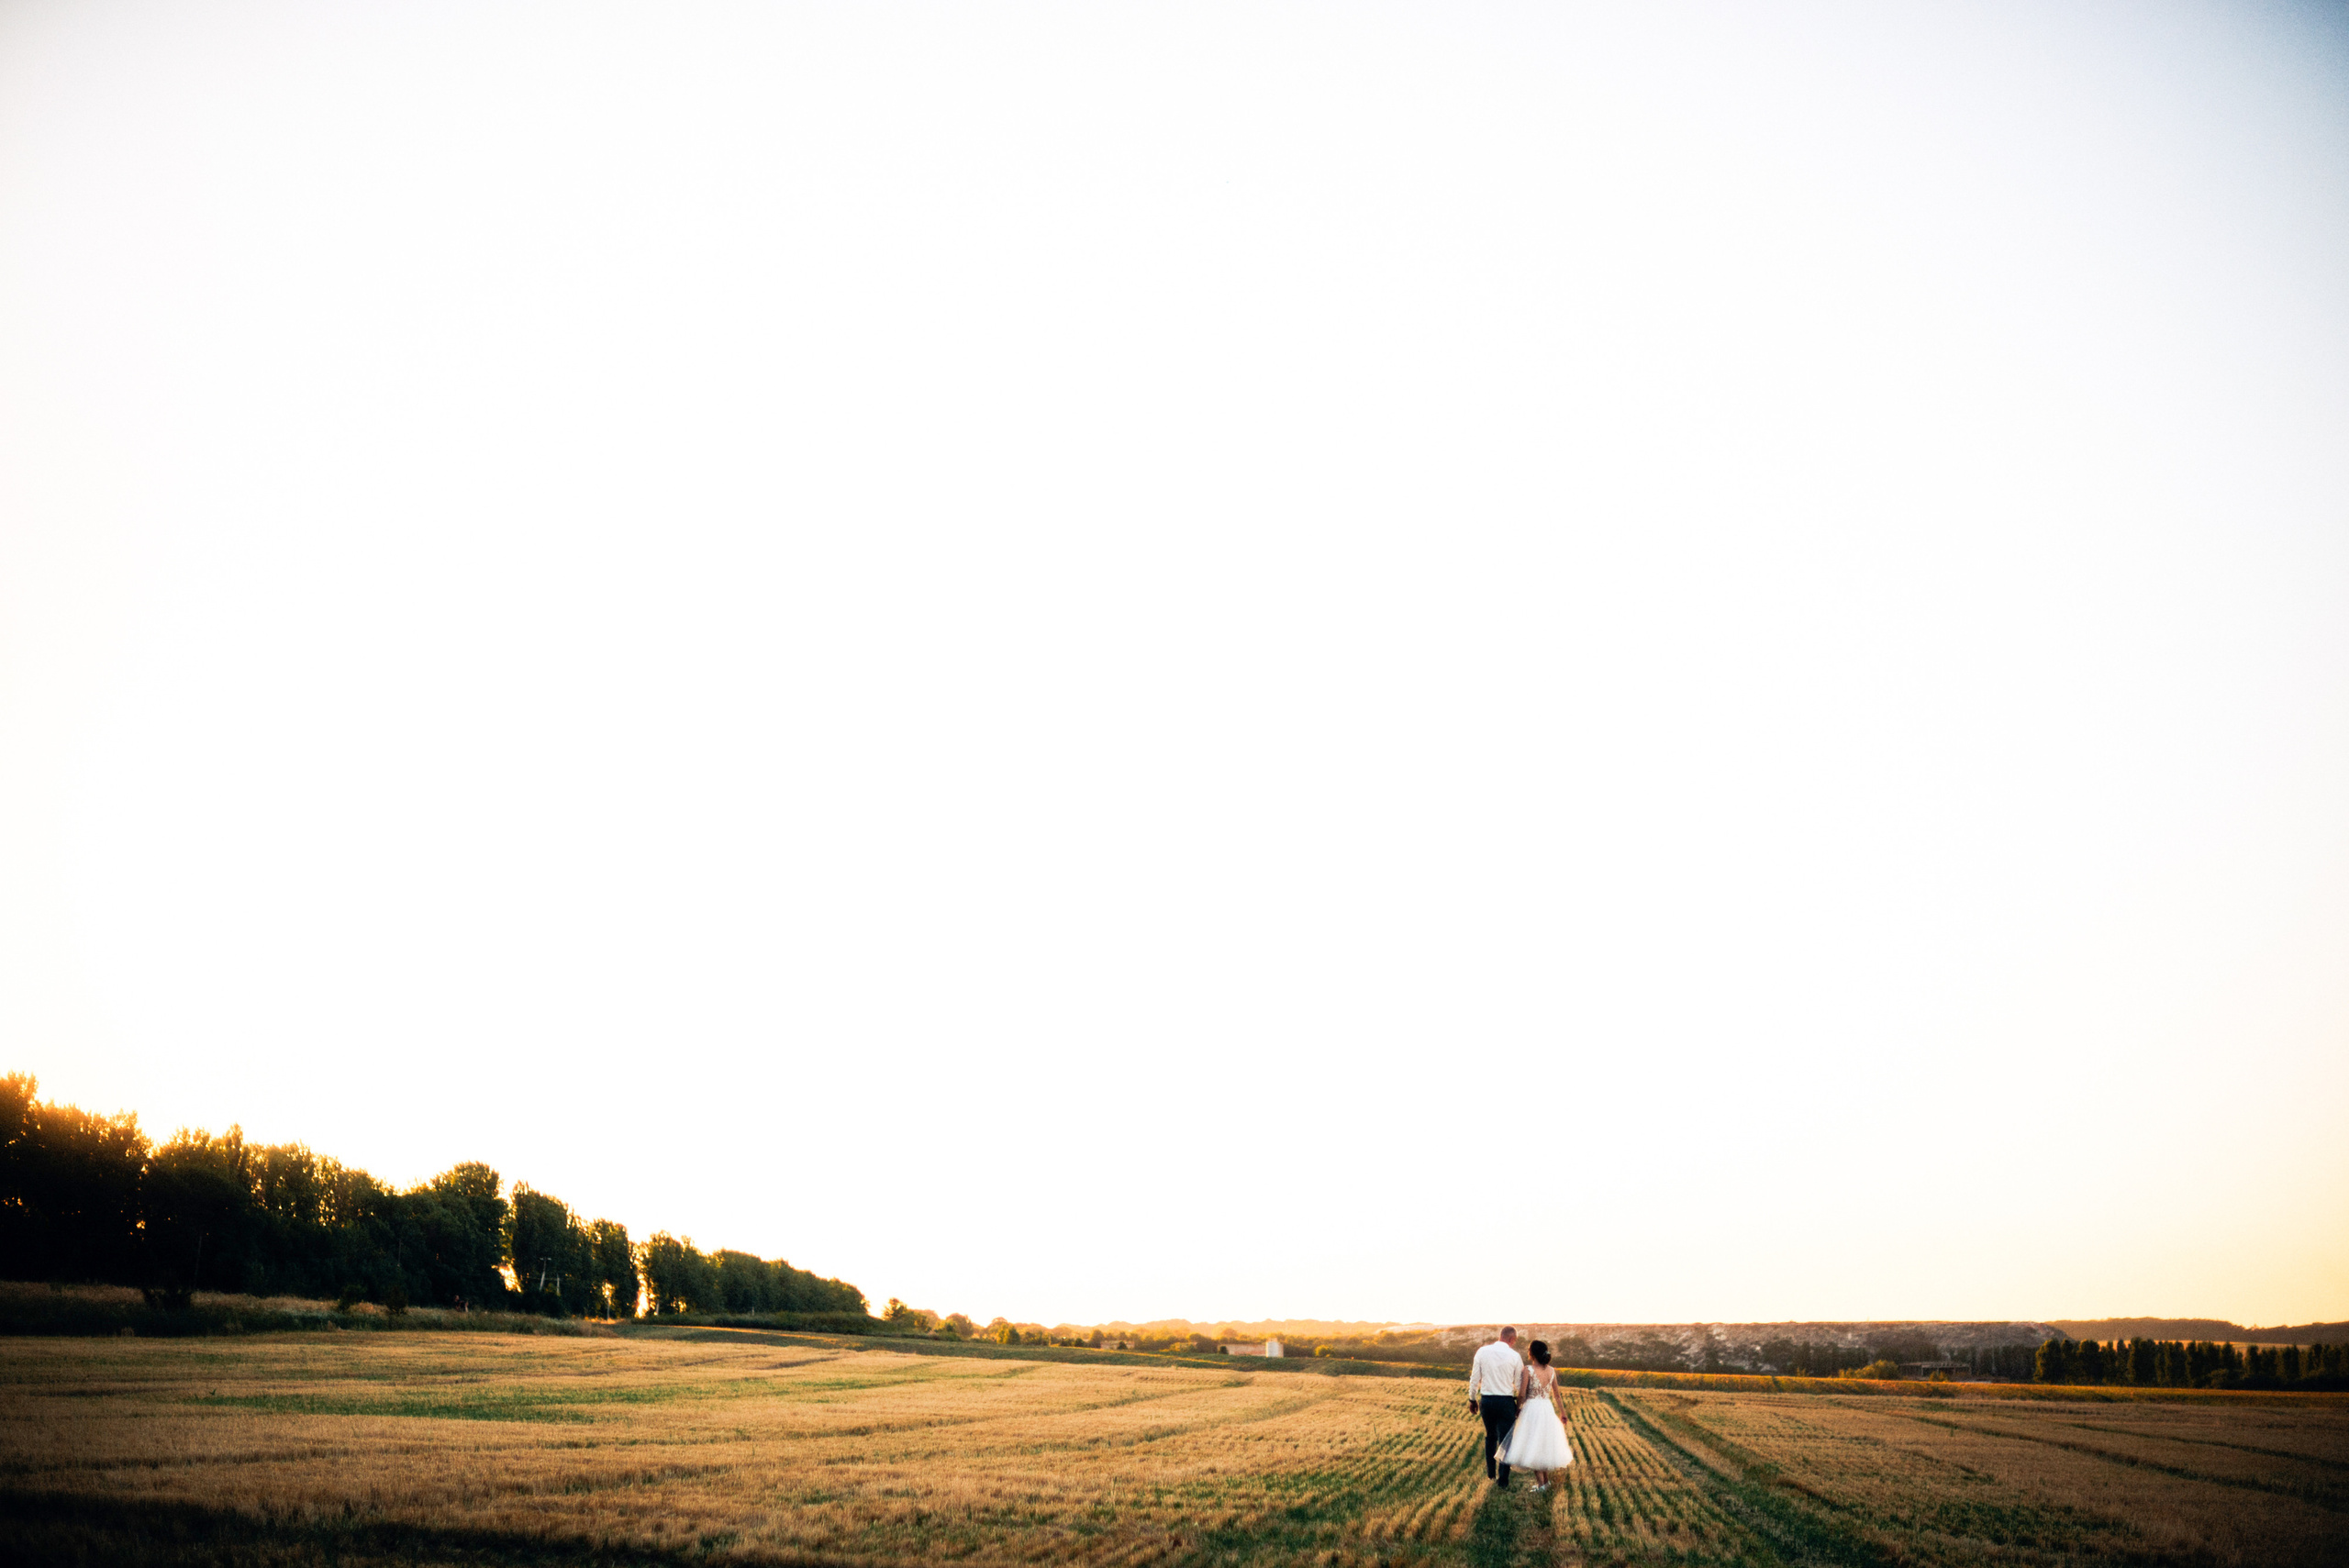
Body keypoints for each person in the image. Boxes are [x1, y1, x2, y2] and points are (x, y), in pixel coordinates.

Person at [1497, 1339, 1574, 1489]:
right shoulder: (1551, 1371)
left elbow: (1522, 1394)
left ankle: (1541, 1486)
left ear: (1532, 1354)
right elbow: (1557, 1395)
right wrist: (1563, 1413)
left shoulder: (1528, 1370)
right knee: (1543, 1445)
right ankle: (1545, 1483)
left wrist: (1517, 1408)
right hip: (1547, 1409)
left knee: (1532, 1445)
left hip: (1532, 1409)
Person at [1467, 1326, 1526, 1486]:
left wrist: (1472, 1399)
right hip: (1506, 1402)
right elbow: (1519, 1384)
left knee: (1490, 1436)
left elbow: (1474, 1378)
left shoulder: (1482, 1352)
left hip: (1487, 1401)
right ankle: (1503, 1480)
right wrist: (1520, 1405)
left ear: (1501, 1336)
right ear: (1511, 1339)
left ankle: (1491, 1474)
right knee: (1506, 1441)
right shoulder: (1515, 1356)